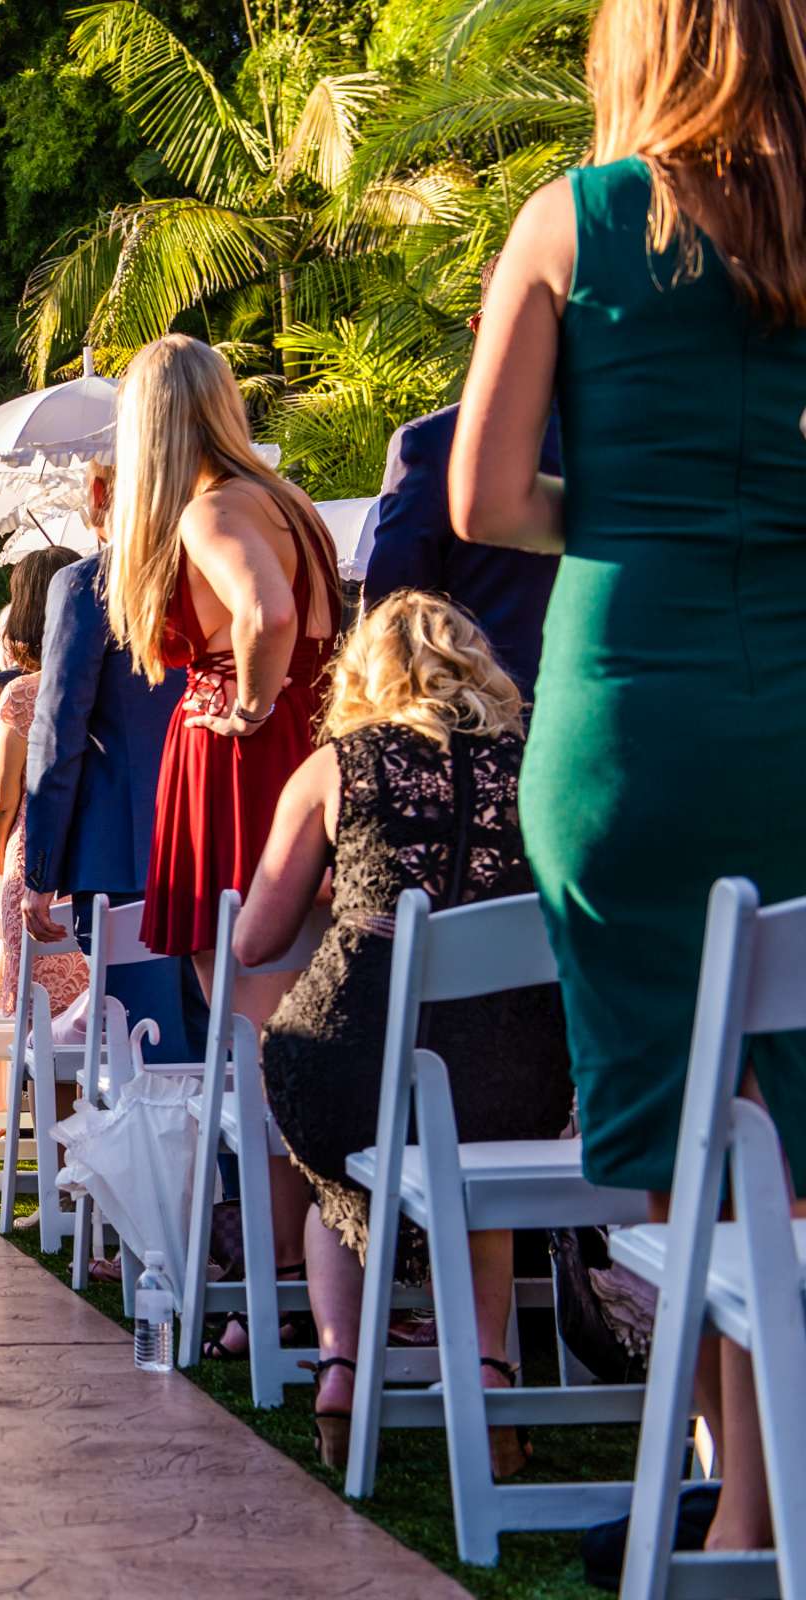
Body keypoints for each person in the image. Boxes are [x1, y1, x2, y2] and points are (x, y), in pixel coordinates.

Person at [453, 0, 806, 1556]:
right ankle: (757, 1500)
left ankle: (747, 1508)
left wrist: (631, 504)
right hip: (791, 697)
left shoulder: (569, 221)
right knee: (789, 1124)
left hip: (623, 718)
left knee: (689, 1138)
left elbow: (477, 495)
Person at [234, 593, 572, 1474]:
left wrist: (345, 890)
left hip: (350, 1049)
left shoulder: (333, 768)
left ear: (363, 673)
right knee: (478, 1167)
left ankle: (342, 1367)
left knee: (332, 1184)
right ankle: (489, 1373)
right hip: (512, 1059)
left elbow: (252, 942)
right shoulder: (535, 765)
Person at [107, 333, 340, 1356]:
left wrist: (245, 703)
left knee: (259, 1042)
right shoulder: (284, 503)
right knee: (289, 1029)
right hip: (304, 752)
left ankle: (276, 1286)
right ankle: (286, 1275)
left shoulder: (209, 510)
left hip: (246, 769)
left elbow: (268, 611)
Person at [20, 462, 202, 1060]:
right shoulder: (211, 580)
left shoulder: (84, 584)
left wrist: (39, 871)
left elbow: (57, 734)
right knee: (216, 1055)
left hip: (122, 860)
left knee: (146, 1062)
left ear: (100, 494)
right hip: (214, 848)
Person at [362, 258, 562, 698]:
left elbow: (394, 607)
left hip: (481, 714)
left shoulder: (432, 443)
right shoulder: (631, 439)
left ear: (480, 327)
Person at [0, 549, 91, 1054]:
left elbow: (1, 803)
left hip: (32, 861)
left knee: (39, 1020)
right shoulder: (110, 682)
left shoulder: (22, 694)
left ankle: (47, 1128)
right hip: (93, 851)